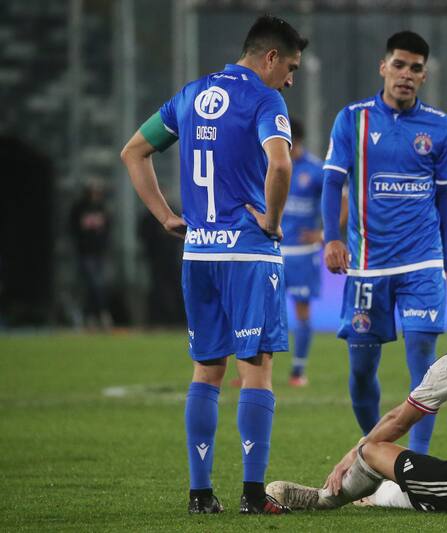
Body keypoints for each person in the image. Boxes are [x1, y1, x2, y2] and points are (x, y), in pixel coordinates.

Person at [120, 15, 307, 515]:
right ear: (270, 57)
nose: (291, 79)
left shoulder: (190, 94)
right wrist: (270, 220)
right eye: (290, 67)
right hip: (247, 253)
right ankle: (251, 494)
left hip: (199, 252)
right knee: (257, 372)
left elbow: (133, 151)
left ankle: (200, 495)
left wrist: (165, 216)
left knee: (206, 371)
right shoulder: (266, 99)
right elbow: (281, 162)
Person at [266, 272, 447, 513]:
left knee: (372, 451)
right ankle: (380, 494)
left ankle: (324, 498)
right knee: (435, 477)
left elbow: (399, 420)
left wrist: (351, 455)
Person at [321, 30, 447, 455]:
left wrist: (444, 260)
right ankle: (375, 451)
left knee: (424, 363)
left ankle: (414, 464)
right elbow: (332, 182)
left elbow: (445, 198)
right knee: (362, 370)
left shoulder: (440, 127)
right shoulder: (353, 119)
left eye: (415, 68)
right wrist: (331, 238)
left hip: (422, 262)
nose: (405, 74)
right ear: (383, 67)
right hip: (367, 264)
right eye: (398, 65)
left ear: (425, 75)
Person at [281, 118, 325, 386]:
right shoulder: (271, 164)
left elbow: (342, 201)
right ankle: (248, 372)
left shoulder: (315, 169)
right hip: (272, 250)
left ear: (295, 141)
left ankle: (298, 371)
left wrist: (323, 235)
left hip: (302, 252)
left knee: (302, 311)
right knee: (259, 312)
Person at [69, 181, 113, 330]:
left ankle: (93, 315)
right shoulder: (80, 208)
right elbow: (72, 228)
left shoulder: (102, 208)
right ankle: (97, 314)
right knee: (92, 284)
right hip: (85, 252)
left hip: (99, 252)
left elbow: (108, 229)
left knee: (97, 285)